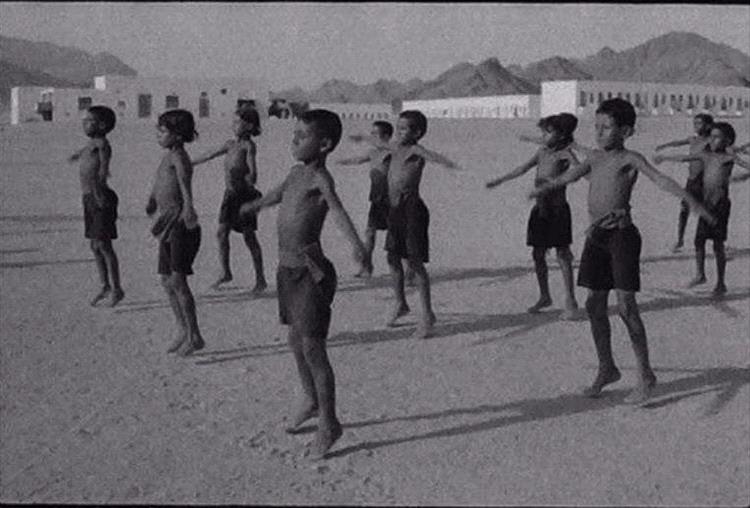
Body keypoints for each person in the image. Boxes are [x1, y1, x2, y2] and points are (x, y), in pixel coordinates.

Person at [530, 99, 715, 404]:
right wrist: (543, 187)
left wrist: (692, 202)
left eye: (606, 127)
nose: (599, 132)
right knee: (594, 305)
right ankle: (607, 367)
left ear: (626, 131)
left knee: (627, 307)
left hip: (622, 237)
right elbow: (570, 176)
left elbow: (661, 179)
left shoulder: (630, 158)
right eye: (597, 127)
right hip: (596, 238)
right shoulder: (594, 157)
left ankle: (645, 375)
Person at [238, 109, 369, 460]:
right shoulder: (296, 173)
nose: (294, 140)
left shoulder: (320, 178)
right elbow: (277, 195)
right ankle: (310, 398)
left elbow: (338, 211)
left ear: (324, 144)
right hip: (287, 270)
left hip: (310, 273)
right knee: (295, 340)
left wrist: (358, 246)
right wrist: (255, 205)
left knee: (313, 348)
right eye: (293, 133)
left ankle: (330, 423)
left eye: (302, 135)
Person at [487, 114, 580, 319]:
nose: (543, 136)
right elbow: (522, 168)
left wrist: (569, 169)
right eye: (543, 133)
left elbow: (579, 171)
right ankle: (544, 296)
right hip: (540, 209)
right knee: (538, 254)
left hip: (558, 210)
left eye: (547, 133)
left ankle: (570, 300)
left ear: (561, 135)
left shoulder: (565, 154)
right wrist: (500, 180)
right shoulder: (542, 152)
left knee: (563, 254)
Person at [382, 110, 463, 338]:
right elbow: (380, 144)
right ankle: (400, 303)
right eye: (397, 128)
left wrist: (448, 163)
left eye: (404, 129)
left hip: (412, 211)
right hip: (395, 211)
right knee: (392, 258)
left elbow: (432, 156)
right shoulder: (395, 148)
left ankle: (427, 315)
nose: (399, 132)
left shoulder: (416, 151)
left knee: (415, 263)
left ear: (417, 133)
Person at [654, 122, 750, 297]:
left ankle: (721, 283)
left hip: (720, 205)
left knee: (718, 245)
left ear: (727, 141)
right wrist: (665, 158)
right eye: (711, 136)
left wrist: (743, 176)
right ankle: (700, 275)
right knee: (699, 241)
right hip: (706, 205)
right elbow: (685, 158)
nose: (712, 140)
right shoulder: (706, 155)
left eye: (717, 137)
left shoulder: (729, 158)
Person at [146, 109, 205, 357]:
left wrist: (189, 208)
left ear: (178, 135)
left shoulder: (180, 157)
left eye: (163, 131)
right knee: (166, 280)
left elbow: (184, 184)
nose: (158, 135)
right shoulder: (168, 156)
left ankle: (195, 335)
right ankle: (182, 327)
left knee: (179, 281)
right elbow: (160, 181)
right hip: (167, 225)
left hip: (180, 224)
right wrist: (152, 199)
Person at [191, 104, 267, 293]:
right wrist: (191, 162)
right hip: (230, 195)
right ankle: (225, 272)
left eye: (238, 122)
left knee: (249, 237)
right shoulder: (230, 144)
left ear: (249, 126)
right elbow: (210, 154)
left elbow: (253, 173)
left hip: (244, 195)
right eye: (233, 122)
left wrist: (245, 178)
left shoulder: (248, 146)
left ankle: (261, 279)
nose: (234, 126)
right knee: (221, 232)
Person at [68, 105, 124, 307]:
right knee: (94, 245)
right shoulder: (91, 143)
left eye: (89, 121)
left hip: (100, 197)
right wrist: (76, 155)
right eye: (84, 120)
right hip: (89, 198)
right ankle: (104, 285)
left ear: (102, 125)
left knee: (104, 245)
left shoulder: (102, 144)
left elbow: (103, 169)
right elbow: (85, 152)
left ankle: (116, 288)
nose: (84, 124)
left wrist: (99, 190)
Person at [335, 120, 393, 278]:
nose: (372, 137)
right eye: (371, 133)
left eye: (375, 134)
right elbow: (358, 159)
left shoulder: (392, 153)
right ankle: (367, 267)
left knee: (395, 235)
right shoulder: (373, 153)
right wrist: (343, 161)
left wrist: (363, 138)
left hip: (391, 199)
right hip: (376, 199)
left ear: (386, 136)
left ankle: (407, 270)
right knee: (370, 233)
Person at [654, 114, 713, 252]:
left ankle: (715, 241)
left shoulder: (711, 142)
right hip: (691, 181)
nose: (696, 126)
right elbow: (678, 142)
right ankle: (680, 240)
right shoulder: (693, 139)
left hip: (705, 181)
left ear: (708, 125)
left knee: (706, 212)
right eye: (695, 123)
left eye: (699, 123)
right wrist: (664, 145)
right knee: (684, 210)